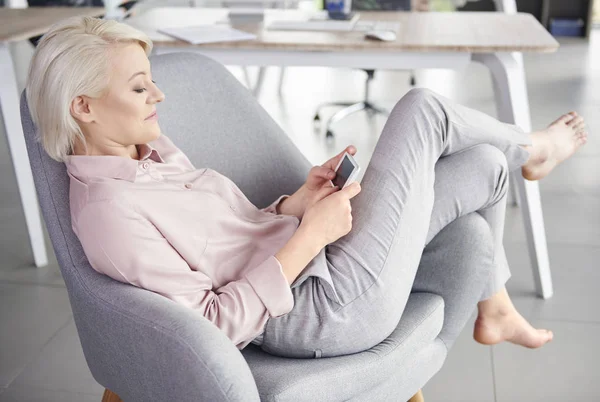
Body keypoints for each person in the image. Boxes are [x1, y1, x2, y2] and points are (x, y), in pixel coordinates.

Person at [26, 17, 587, 358]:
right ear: (84, 107)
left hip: (316, 261)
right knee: (423, 109)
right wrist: (307, 237)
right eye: (140, 87)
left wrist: (296, 204)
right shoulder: (108, 213)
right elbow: (212, 325)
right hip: (314, 312)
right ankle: (535, 148)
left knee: (485, 164)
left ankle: (495, 307)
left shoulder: (150, 152)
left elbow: (231, 237)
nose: (160, 98)